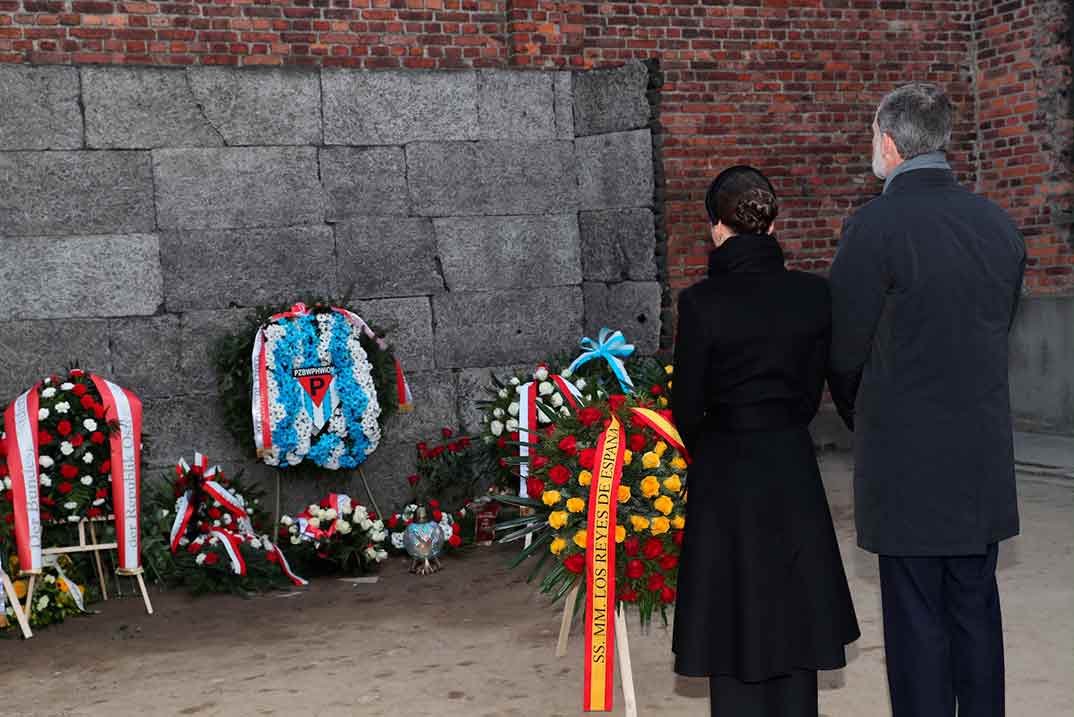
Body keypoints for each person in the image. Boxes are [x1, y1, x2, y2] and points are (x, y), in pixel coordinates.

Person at [829, 83, 1026, 717]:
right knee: (974, 606)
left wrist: (864, 417)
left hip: (906, 459)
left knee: (915, 619)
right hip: (978, 456)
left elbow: (844, 349)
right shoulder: (997, 224)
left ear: (888, 142)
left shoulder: (875, 225)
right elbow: (998, 328)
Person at [672, 165, 860, 717]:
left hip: (726, 470)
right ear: (774, 226)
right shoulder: (813, 295)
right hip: (790, 464)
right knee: (794, 608)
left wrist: (714, 438)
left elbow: (685, 407)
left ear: (717, 230)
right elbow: (823, 385)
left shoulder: (701, 304)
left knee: (732, 614)